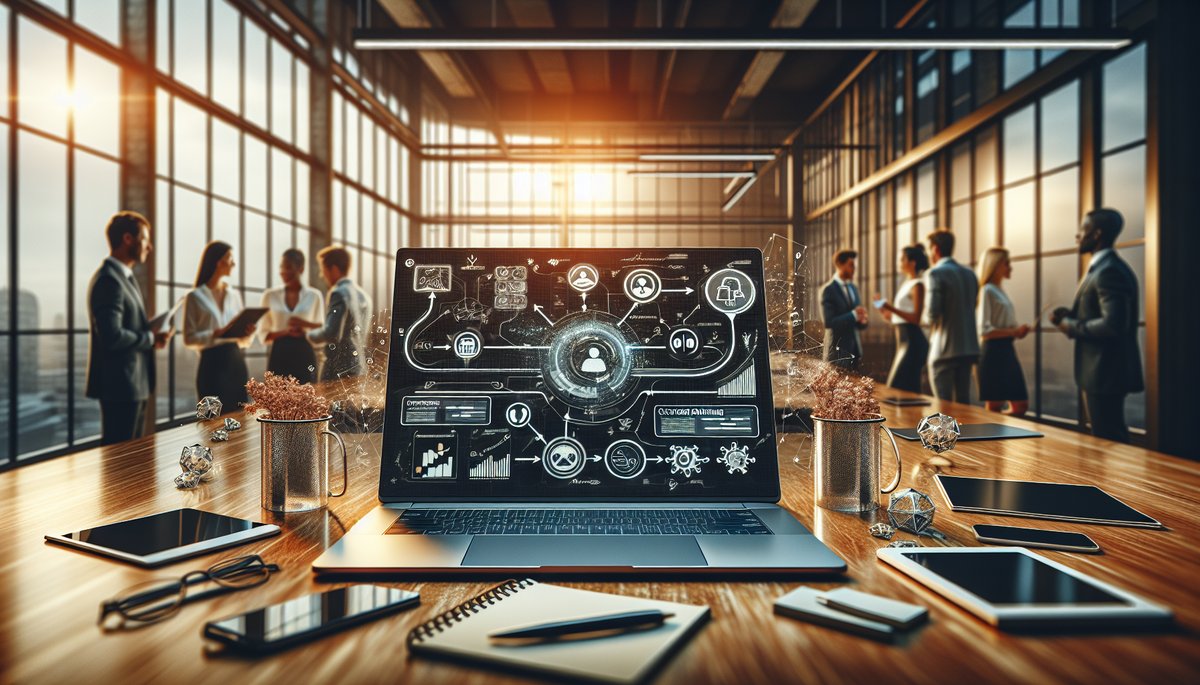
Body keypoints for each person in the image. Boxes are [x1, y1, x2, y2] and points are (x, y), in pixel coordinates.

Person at [1050, 208, 1143, 443]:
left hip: (1105, 371)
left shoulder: (1109, 271)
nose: (1077, 236)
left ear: (1097, 234)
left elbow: (1113, 325)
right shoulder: (1103, 268)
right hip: (1102, 371)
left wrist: (1070, 325)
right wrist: (1070, 315)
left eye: (1083, 230)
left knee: (1109, 440)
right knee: (1106, 438)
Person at [85, 212, 173, 445]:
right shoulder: (109, 280)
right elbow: (112, 336)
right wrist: (148, 338)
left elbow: (126, 327)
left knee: (129, 460)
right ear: (127, 239)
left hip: (133, 384)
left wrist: (153, 336)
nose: (149, 247)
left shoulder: (124, 278)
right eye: (144, 239)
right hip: (120, 386)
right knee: (119, 463)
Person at [183, 241, 256, 411]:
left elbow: (243, 338)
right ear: (218, 262)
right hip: (211, 366)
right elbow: (189, 338)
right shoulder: (194, 297)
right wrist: (215, 334)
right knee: (211, 421)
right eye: (230, 258)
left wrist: (247, 332)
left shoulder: (234, 294)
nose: (233, 263)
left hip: (236, 362)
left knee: (238, 421)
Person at [293, 246, 372, 382]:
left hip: (338, 368)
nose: (322, 275)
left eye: (323, 270)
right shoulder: (363, 296)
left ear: (334, 269)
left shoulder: (339, 293)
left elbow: (331, 333)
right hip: (358, 366)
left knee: (331, 402)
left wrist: (306, 335)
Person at [922, 230, 979, 404]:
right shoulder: (970, 274)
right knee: (963, 405)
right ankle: (965, 432)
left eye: (929, 249)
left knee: (943, 407)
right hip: (968, 349)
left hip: (944, 350)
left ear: (936, 249)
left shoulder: (935, 273)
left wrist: (924, 318)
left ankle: (945, 433)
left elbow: (932, 314)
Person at [976, 247, 1030, 416]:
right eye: (1007, 263)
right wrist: (1014, 332)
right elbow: (984, 330)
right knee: (994, 406)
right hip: (993, 352)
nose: (1010, 267)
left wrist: (1016, 331)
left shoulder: (1000, 290)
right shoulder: (987, 290)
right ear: (996, 264)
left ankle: (999, 434)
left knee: (1020, 405)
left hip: (1006, 349)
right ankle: (993, 438)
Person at [259, 249, 324, 383]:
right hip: (279, 354)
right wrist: (286, 332)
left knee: (307, 398)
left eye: (288, 267)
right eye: (282, 267)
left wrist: (305, 326)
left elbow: (321, 329)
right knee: (277, 399)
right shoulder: (269, 295)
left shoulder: (314, 295)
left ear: (301, 269)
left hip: (305, 353)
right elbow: (263, 333)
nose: (283, 271)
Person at [875, 245, 929, 393]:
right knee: (909, 391)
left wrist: (890, 307)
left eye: (902, 259)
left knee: (895, 387)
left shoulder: (918, 285)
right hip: (904, 343)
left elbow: (916, 318)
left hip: (913, 343)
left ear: (912, 263)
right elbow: (897, 318)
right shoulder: (906, 284)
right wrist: (882, 309)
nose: (900, 262)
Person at [820, 249, 868, 370]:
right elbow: (829, 322)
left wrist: (862, 320)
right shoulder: (828, 290)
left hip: (855, 352)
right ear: (839, 264)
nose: (854, 269)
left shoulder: (853, 288)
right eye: (851, 265)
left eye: (855, 266)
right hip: (837, 354)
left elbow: (857, 322)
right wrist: (853, 315)